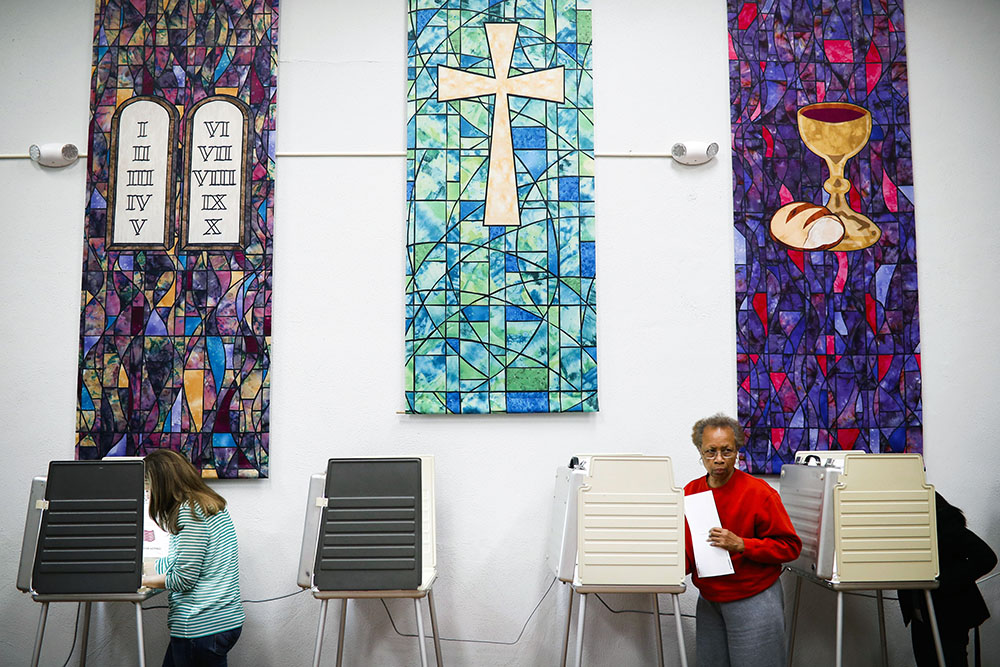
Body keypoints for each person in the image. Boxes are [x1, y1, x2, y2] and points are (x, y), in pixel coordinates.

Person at [683, 413, 802, 667]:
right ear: (700, 452)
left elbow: (790, 547)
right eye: (710, 451)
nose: (718, 459)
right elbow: (686, 551)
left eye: (726, 451)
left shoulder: (759, 493)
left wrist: (742, 544)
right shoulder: (690, 492)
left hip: (754, 598)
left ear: (737, 451)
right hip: (710, 600)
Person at [141, 449, 245, 667]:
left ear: (161, 486)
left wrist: (139, 581)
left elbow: (183, 579)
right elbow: (182, 560)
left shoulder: (189, 512)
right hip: (221, 622)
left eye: (148, 490)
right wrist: (143, 567)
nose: (148, 497)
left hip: (201, 625)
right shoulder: (209, 505)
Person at [898, 492, 997, 667]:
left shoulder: (944, 524)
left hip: (949, 613)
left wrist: (941, 582)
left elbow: (987, 558)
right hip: (923, 614)